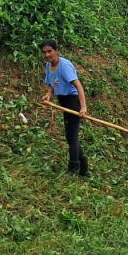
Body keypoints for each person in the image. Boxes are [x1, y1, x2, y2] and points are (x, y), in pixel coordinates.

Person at [40, 40, 89, 178]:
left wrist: (83, 107)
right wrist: (49, 95)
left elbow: (78, 86)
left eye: (50, 51)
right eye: (44, 52)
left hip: (73, 102)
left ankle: (74, 168)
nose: (47, 54)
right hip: (63, 101)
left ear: (56, 51)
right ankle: (84, 170)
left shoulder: (65, 66)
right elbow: (51, 84)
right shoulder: (49, 65)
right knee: (71, 137)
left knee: (71, 137)